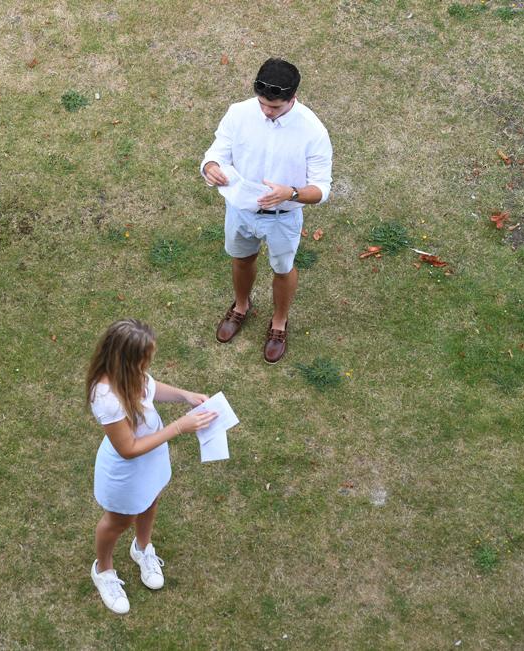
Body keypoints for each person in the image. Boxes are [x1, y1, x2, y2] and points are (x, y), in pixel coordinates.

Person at [201, 57, 333, 363]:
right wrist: (210, 167)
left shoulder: (313, 131)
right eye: (262, 104)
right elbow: (217, 151)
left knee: (283, 268)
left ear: (293, 99)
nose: (266, 111)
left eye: (274, 107)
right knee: (241, 258)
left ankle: (278, 322)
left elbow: (322, 188)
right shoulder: (238, 113)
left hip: (282, 218)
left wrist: (292, 193)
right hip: (240, 209)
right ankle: (241, 306)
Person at [85, 319, 218, 614]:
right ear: (125, 359)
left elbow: (150, 387)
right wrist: (179, 427)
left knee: (151, 500)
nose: (147, 366)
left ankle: (142, 549)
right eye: (144, 360)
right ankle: (103, 570)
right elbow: (128, 449)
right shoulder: (106, 396)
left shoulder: (132, 372)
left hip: (153, 457)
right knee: (119, 520)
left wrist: (185, 395)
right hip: (126, 471)